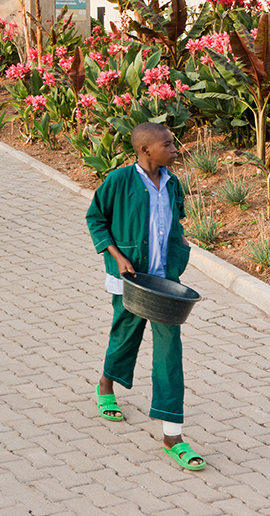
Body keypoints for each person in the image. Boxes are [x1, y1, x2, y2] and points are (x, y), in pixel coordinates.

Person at [86, 122, 204, 471]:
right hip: (131, 278)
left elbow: (176, 216)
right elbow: (95, 218)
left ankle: (173, 436)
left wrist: (180, 244)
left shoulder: (171, 181)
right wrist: (118, 257)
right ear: (145, 151)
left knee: (170, 351)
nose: (174, 148)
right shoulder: (119, 181)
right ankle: (106, 385)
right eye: (167, 144)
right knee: (126, 336)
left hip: (164, 282)